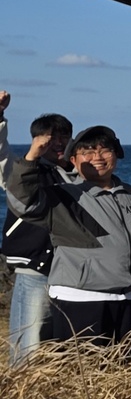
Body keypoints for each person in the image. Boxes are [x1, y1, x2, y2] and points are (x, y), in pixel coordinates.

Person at [4, 125, 131, 353]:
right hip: (80, 301)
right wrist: (32, 157)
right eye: (88, 152)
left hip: (127, 298)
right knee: (84, 376)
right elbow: (24, 200)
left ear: (117, 154)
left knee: (127, 370)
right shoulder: (64, 196)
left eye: (105, 150)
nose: (97, 157)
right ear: (74, 160)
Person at [0, 95, 73, 364]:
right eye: (51, 137)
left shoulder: (76, 175)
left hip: (70, 272)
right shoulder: (23, 172)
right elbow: (0, 153)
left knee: (62, 346)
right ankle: (22, 398)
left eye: (64, 136)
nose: (58, 143)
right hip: (35, 269)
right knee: (29, 345)